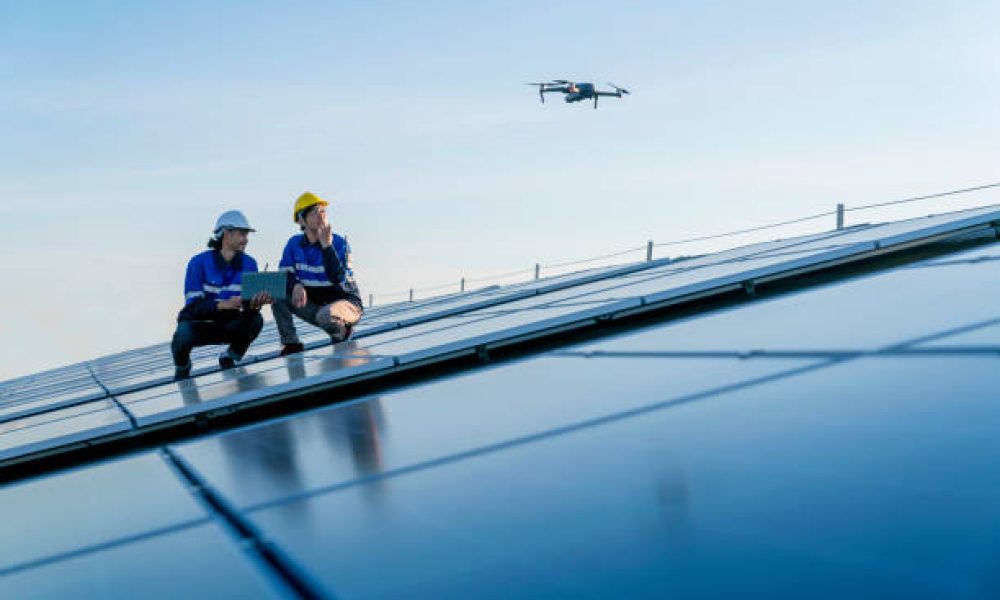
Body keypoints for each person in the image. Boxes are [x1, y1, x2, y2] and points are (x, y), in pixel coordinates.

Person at [171, 210, 273, 380]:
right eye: (242, 234)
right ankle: (183, 367)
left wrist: (256, 304)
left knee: (256, 320)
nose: (246, 239)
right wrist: (222, 304)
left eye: (247, 234)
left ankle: (229, 356)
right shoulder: (198, 263)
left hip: (229, 325)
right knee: (182, 334)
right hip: (201, 326)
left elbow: (248, 310)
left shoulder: (249, 264)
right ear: (226, 233)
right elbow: (193, 308)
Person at [273, 192, 363, 355]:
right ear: (301, 220)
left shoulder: (339, 242)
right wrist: (296, 284)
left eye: (323, 211)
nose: (321, 215)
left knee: (325, 315)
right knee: (277, 294)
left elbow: (338, 278)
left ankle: (343, 333)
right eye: (314, 212)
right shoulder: (294, 244)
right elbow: (284, 275)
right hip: (317, 307)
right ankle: (291, 344)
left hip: (346, 305)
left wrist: (326, 246)